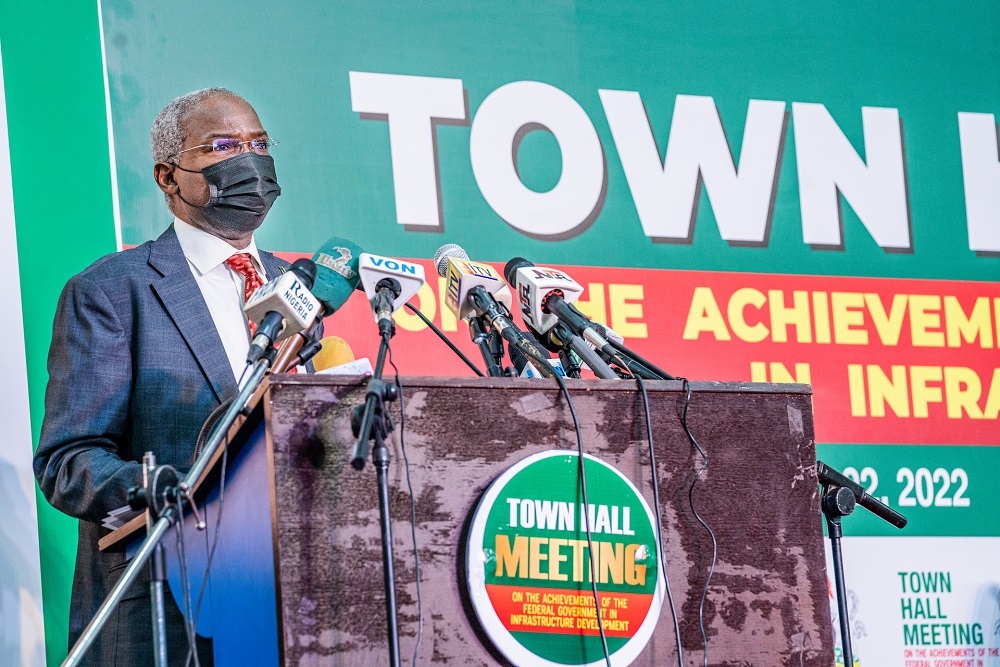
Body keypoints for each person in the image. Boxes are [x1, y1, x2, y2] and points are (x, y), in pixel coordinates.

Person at [34, 88, 287, 666]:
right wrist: (168, 489)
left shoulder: (296, 293)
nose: (248, 160)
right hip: (163, 610)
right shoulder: (111, 292)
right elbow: (68, 461)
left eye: (259, 144)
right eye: (223, 145)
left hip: (287, 606)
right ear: (169, 177)